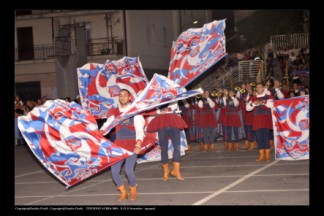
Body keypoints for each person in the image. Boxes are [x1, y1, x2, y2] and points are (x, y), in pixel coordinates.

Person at [99, 89, 145, 201]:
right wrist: (99, 133)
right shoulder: (114, 112)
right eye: (120, 95)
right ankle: (123, 192)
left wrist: (138, 144)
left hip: (132, 144)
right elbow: (107, 126)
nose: (122, 97)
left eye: (125, 95)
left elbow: (139, 130)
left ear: (129, 97)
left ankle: (133, 189)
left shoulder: (136, 112)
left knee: (129, 171)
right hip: (118, 144)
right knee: (114, 172)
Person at [146, 101, 188, 181]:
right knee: (164, 147)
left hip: (173, 120)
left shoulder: (173, 95)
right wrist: (160, 110)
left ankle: (176, 171)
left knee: (177, 147)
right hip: (162, 120)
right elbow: (154, 107)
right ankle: (166, 170)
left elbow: (175, 105)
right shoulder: (158, 96)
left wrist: (169, 108)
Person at [246, 83, 274, 162]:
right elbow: (247, 108)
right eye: (257, 88)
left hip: (266, 120)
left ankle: (267, 155)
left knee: (266, 137)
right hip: (257, 120)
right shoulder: (253, 98)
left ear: (263, 88)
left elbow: (272, 105)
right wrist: (253, 104)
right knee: (259, 138)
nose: (259, 89)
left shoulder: (268, 96)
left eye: (260, 87)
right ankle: (261, 155)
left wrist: (264, 102)